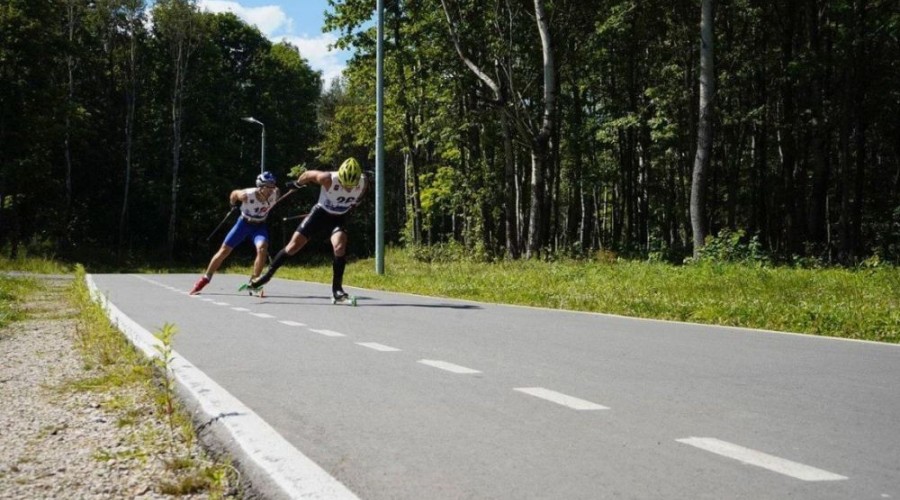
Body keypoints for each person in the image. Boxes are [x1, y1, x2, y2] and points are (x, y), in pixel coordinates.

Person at [242, 157, 367, 301]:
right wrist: (298, 184)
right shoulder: (327, 178)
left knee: (340, 247)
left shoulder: (363, 182)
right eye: (345, 184)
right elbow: (308, 175)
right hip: (320, 214)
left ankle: (337, 290)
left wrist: (354, 204)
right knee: (292, 247)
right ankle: (265, 277)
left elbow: (360, 195)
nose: (348, 188)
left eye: (352, 186)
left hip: (339, 217)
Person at [190, 171, 280, 295]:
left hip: (259, 226)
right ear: (260, 186)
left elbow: (279, 193)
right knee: (224, 250)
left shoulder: (275, 194)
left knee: (262, 248)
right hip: (243, 224)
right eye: (268, 187)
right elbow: (234, 194)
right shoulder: (248, 194)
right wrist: (234, 201)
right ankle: (206, 278)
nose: (271, 190)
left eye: (272, 186)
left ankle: (254, 282)